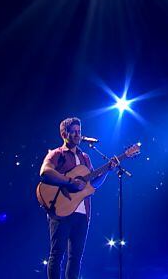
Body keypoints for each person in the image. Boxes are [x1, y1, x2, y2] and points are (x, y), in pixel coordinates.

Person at [39, 117, 116, 279]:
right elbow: (45, 172)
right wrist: (68, 181)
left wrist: (108, 170)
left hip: (82, 213)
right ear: (63, 133)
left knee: (76, 258)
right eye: (73, 131)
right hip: (61, 209)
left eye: (79, 132)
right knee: (57, 254)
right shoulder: (57, 154)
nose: (77, 135)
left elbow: (92, 184)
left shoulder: (85, 157)